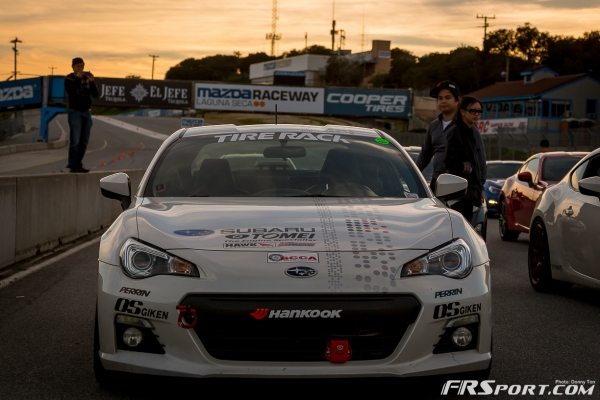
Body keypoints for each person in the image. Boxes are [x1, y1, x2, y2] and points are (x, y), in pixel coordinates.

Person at [445, 96, 485, 222]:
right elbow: (448, 162)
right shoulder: (455, 131)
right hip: (458, 194)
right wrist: (463, 167)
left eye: (479, 112)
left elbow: (478, 163)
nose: (476, 114)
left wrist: (479, 190)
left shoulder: (473, 131)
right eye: (473, 111)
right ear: (463, 111)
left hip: (471, 192)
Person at [416, 80, 461, 191]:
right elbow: (425, 155)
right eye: (440, 98)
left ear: (457, 100)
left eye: (447, 97)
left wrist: (478, 187)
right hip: (437, 182)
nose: (443, 101)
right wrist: (412, 174)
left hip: (460, 183)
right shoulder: (433, 126)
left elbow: (478, 158)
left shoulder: (465, 125)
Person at [64, 57, 98, 173]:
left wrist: (92, 81)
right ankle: (72, 165)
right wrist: (78, 80)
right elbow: (72, 93)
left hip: (86, 112)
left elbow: (96, 95)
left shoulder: (87, 78)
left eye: (82, 66)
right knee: (75, 140)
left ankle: (79, 163)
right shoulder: (69, 78)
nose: (80, 69)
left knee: (84, 141)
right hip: (75, 112)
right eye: (78, 66)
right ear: (73, 67)